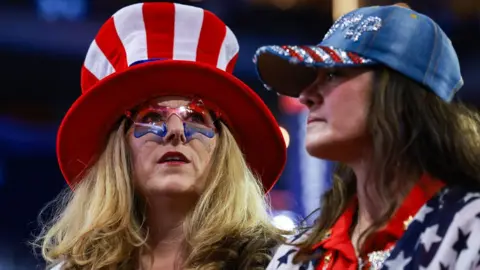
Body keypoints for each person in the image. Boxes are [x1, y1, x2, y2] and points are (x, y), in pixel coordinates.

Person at [34, 2, 287, 269]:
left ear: (224, 149)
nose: (176, 131)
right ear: (119, 149)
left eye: (196, 118)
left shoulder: (280, 263)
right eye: (152, 118)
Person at [253, 3, 480, 270]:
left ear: (398, 92)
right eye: (314, 76)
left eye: (333, 74)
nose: (305, 96)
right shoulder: (293, 256)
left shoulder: (469, 227)